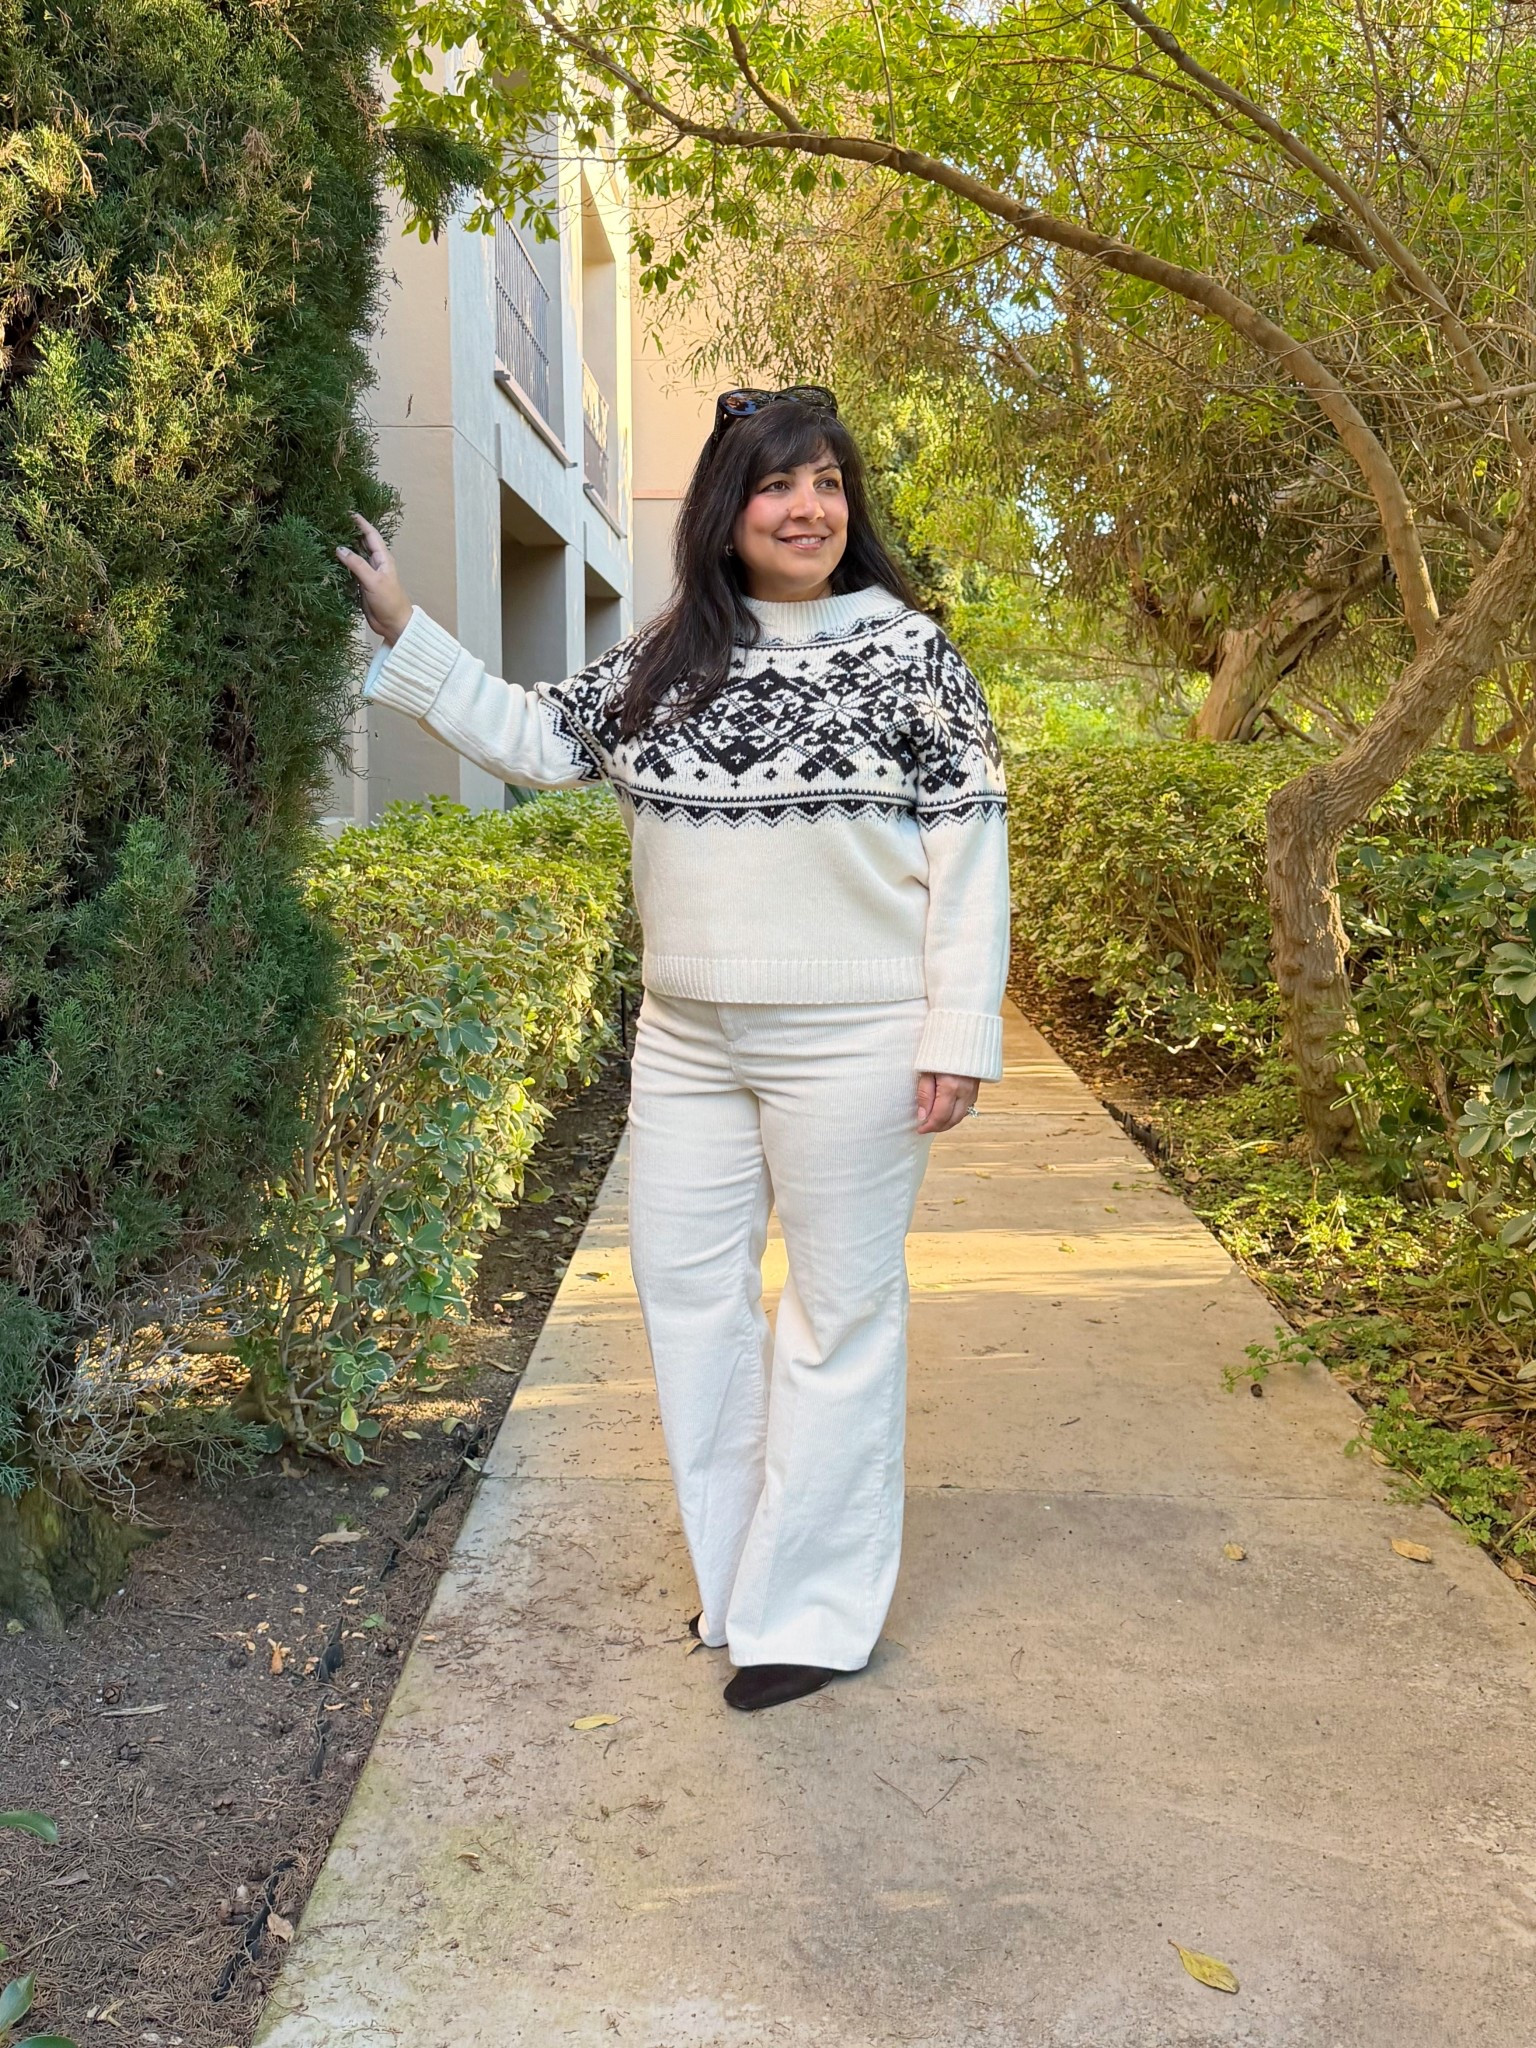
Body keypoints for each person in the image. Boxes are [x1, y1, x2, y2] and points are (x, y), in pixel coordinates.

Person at [338, 385, 1010, 1713]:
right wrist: (406, 628)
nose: (808, 508)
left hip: (856, 1042)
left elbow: (969, 847)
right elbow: (536, 738)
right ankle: (746, 1577)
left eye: (827, 482)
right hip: (689, 1038)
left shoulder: (909, 653)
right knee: (689, 1299)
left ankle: (812, 1614)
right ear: (729, 508)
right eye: (778, 485)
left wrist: (957, 1028)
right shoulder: (668, 656)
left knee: (838, 1320)